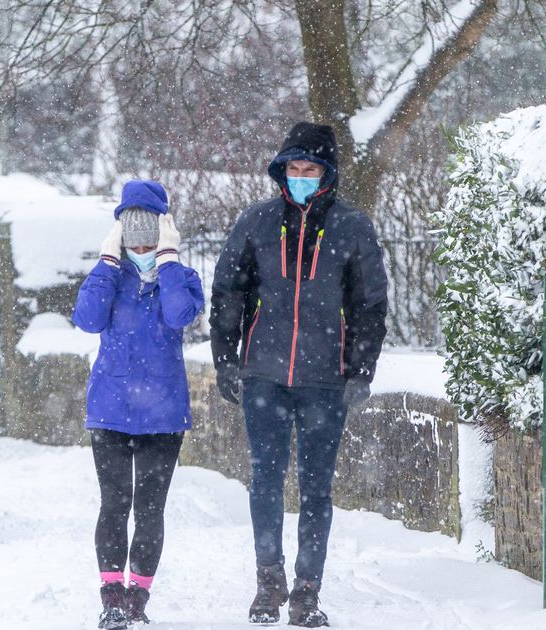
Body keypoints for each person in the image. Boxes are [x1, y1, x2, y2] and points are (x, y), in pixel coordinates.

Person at [210, 122, 388, 627]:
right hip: (263, 375)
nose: (300, 177)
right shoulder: (258, 223)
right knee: (264, 481)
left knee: (316, 489)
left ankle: (307, 592)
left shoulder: (354, 228)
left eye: (310, 169)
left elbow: (369, 304)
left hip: (324, 380)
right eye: (293, 168)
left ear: (327, 173)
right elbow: (229, 294)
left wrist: (361, 369)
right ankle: (269, 582)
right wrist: (226, 357)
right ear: (281, 171)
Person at [72, 179, 205, 629]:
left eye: (152, 232)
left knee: (150, 508)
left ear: (165, 231)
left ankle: (137, 600)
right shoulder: (109, 276)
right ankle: (111, 598)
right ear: (121, 234)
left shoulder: (182, 278)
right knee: (114, 503)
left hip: (163, 415)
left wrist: (167, 260)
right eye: (134, 233)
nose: (142, 242)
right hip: (110, 410)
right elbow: (87, 319)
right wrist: (108, 261)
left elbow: (180, 315)